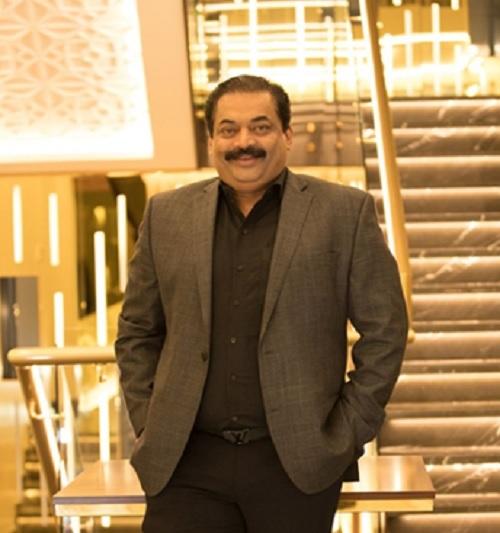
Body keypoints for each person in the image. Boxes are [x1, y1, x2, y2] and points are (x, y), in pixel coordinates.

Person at [115, 74, 408, 533]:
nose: (243, 142)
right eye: (228, 129)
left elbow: (386, 330)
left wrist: (347, 429)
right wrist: (150, 420)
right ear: (211, 141)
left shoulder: (342, 212)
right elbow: (137, 330)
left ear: (287, 135)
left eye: (260, 126)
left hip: (295, 463)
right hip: (185, 465)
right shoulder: (166, 216)